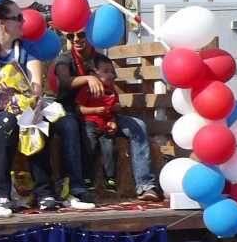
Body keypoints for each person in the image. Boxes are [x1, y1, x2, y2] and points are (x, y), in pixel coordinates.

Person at [0, 1, 92, 218]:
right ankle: (0, 195)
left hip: (26, 104)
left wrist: (31, 102)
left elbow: (36, 85)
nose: (24, 22)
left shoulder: (26, 48)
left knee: (61, 121)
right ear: (2, 23)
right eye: (18, 18)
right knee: (6, 122)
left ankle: (68, 189)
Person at [55, 30, 159, 200]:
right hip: (75, 112)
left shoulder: (101, 60)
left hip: (104, 115)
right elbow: (64, 82)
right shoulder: (65, 59)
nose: (76, 39)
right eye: (71, 36)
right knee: (73, 128)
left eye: (81, 35)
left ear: (91, 35)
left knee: (138, 125)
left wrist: (113, 118)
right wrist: (88, 79)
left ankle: (146, 185)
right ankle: (78, 185)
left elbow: (110, 94)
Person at [76, 55, 124, 192]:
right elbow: (78, 108)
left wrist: (113, 120)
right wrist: (94, 110)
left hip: (105, 125)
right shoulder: (87, 90)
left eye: (112, 72)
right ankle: (87, 177)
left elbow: (113, 110)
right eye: (106, 71)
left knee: (110, 149)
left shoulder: (112, 91)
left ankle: (110, 178)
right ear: (94, 74)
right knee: (89, 147)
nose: (111, 75)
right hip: (89, 123)